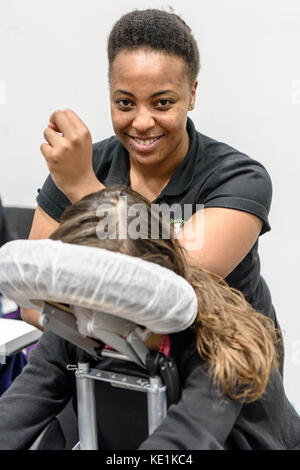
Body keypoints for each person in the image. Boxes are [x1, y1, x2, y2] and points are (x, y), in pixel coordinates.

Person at [22, 9, 284, 373]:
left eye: (163, 103)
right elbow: (33, 301)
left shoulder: (237, 178)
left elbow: (169, 294)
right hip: (111, 376)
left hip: (221, 383)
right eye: (125, 103)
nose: (142, 122)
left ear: (191, 94)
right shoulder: (85, 165)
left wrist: (84, 190)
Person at [0, 185, 299, 450]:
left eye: (109, 304)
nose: (88, 320)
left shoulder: (223, 346)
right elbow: (19, 408)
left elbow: (182, 441)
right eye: (80, 304)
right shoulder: (79, 325)